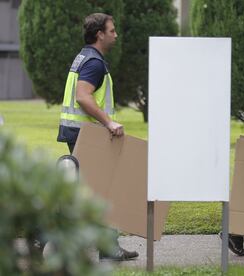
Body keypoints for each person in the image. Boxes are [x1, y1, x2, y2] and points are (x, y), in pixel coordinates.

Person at [57, 13, 138, 261]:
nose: (115, 35)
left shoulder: (84, 56)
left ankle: (105, 245)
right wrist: (109, 121)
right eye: (112, 31)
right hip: (88, 134)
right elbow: (83, 96)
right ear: (99, 34)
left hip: (80, 132)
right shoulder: (94, 62)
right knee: (101, 191)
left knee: (92, 191)